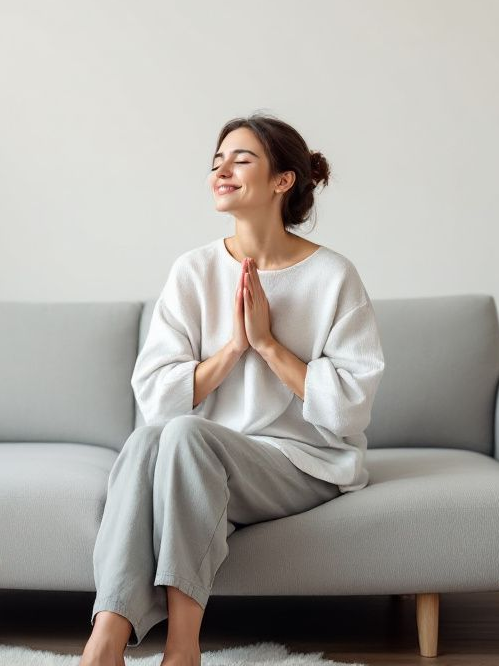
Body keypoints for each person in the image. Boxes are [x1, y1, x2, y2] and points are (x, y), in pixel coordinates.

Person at [78, 113, 386, 666]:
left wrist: (268, 344)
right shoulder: (193, 271)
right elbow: (153, 397)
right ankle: (106, 640)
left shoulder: (334, 277)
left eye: (241, 159)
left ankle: (182, 649)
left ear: (282, 180)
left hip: (301, 462)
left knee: (183, 439)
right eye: (216, 160)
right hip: (196, 456)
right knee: (150, 442)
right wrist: (231, 351)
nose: (222, 169)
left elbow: (349, 410)